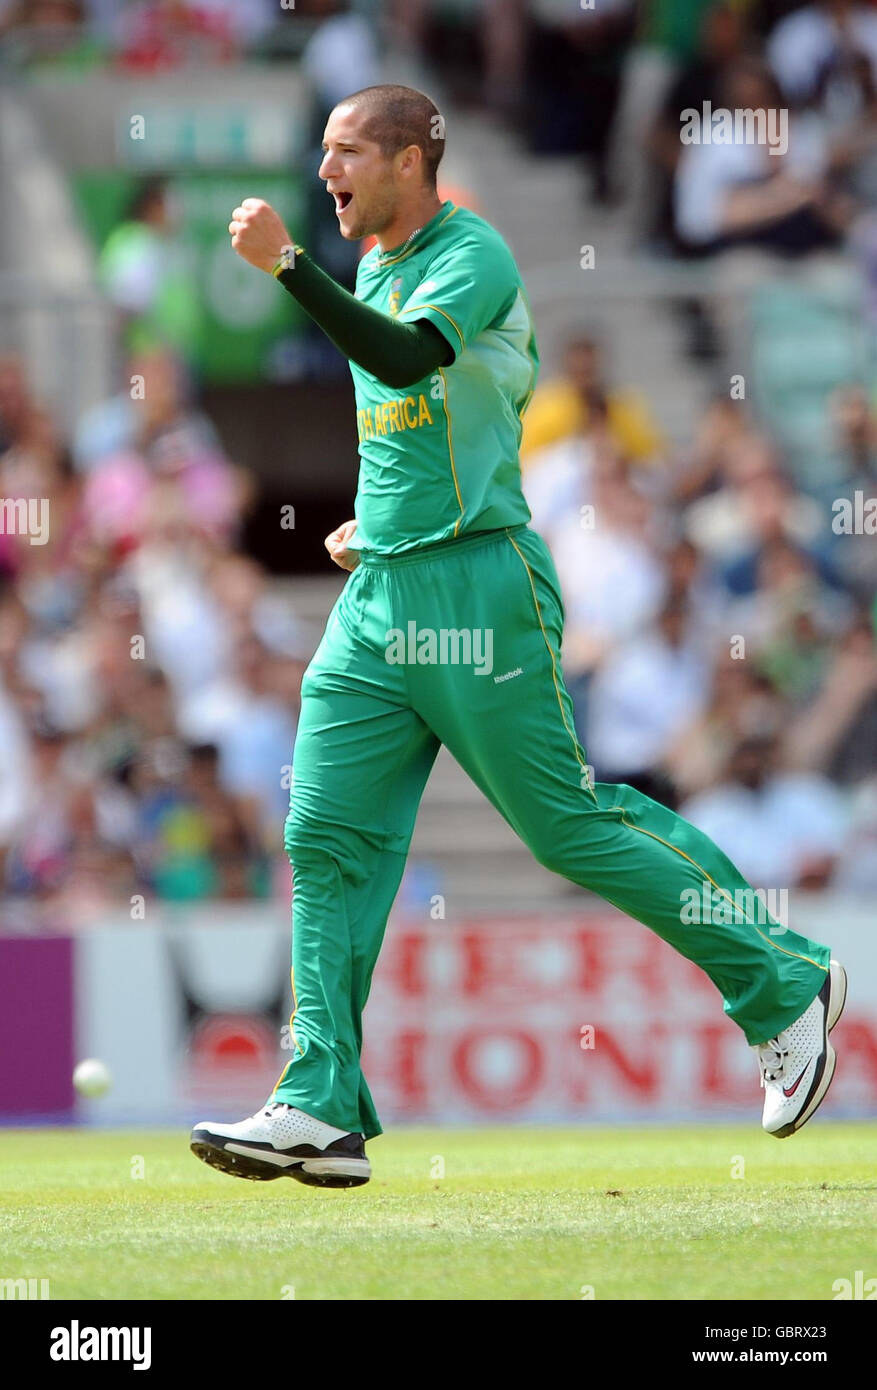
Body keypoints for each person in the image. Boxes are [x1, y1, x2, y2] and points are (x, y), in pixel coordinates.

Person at [189, 85, 846, 1190]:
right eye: (323, 151)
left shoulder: (471, 252)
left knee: (566, 827)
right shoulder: (379, 266)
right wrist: (375, 523)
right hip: (382, 596)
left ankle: (784, 984)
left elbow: (406, 364)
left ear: (410, 160)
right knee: (321, 832)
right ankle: (317, 1100)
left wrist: (287, 268)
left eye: (348, 151)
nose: (326, 168)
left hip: (481, 594)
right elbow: (420, 428)